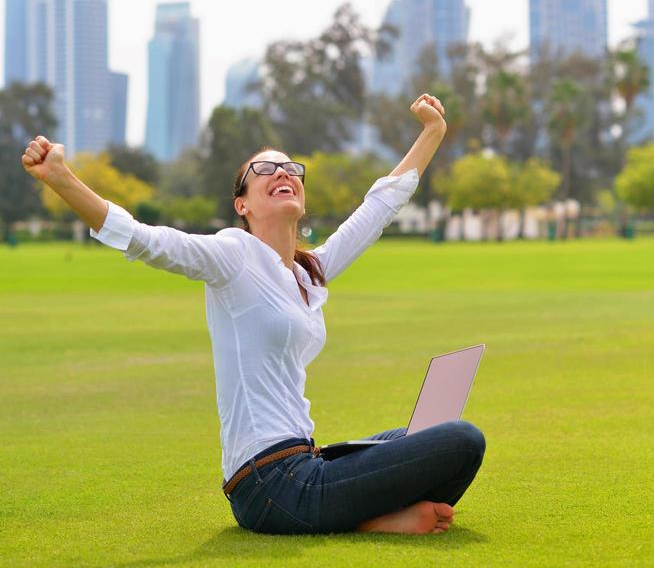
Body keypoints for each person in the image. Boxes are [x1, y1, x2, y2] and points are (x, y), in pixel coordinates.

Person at [21, 92, 485, 536]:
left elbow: (377, 209)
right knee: (462, 440)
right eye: (264, 168)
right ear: (242, 204)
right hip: (270, 483)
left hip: (307, 462)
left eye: (290, 167)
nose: (281, 171)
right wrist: (61, 178)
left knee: (428, 433)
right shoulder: (233, 255)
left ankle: (373, 515)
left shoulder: (307, 274)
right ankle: (370, 519)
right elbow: (146, 240)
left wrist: (432, 132)